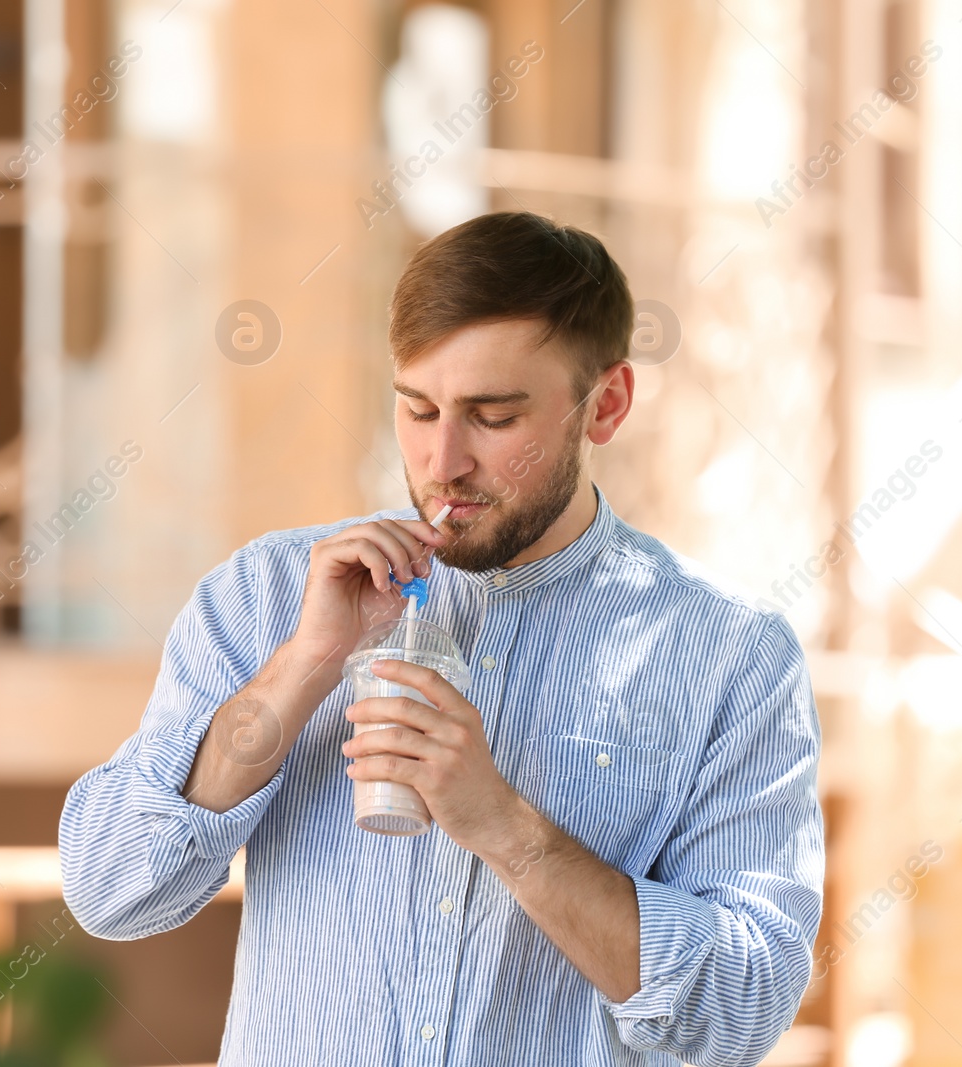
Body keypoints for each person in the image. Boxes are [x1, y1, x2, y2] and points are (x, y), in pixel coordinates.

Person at [59, 211, 824, 1066]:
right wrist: (303, 667)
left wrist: (506, 827)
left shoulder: (734, 657)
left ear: (604, 404)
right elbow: (110, 889)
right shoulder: (267, 594)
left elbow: (741, 1010)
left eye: (493, 417)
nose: (442, 461)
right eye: (418, 409)